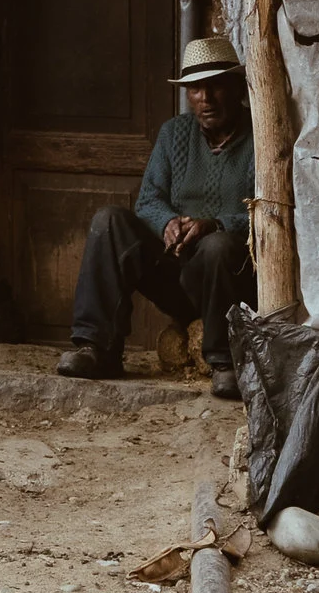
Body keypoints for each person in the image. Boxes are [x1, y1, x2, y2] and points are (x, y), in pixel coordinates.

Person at [56, 36, 257, 399]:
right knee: (109, 221)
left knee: (218, 245)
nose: (206, 99)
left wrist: (215, 224)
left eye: (215, 86)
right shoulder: (174, 133)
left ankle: (225, 361)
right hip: (175, 273)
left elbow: (269, 210)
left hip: (228, 279)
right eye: (195, 89)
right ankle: (98, 347)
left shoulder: (259, 137)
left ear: (236, 87)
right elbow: (148, 201)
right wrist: (167, 222)